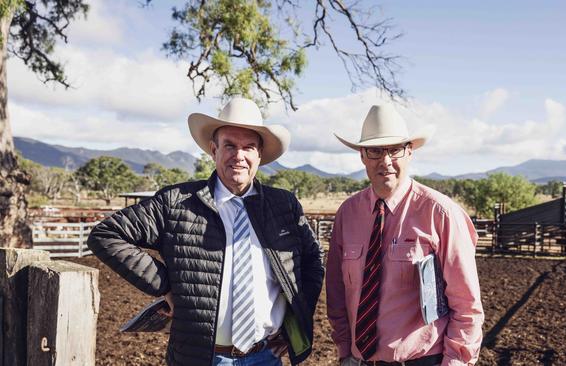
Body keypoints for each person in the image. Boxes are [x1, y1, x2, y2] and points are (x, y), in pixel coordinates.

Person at [88, 97, 324, 366]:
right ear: (214, 150)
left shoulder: (284, 206)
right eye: (230, 146)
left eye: (248, 147)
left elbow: (312, 263)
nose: (239, 156)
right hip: (201, 357)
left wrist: (294, 323)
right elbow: (106, 234)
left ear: (259, 155)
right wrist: (165, 284)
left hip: (266, 356)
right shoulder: (176, 202)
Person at [326, 104, 483, 366]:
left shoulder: (440, 213)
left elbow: (466, 305)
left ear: (410, 152)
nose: (385, 161)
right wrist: (345, 352)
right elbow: (336, 293)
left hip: (422, 360)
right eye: (375, 151)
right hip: (359, 360)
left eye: (394, 150)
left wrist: (456, 362)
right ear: (362, 156)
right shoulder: (347, 214)